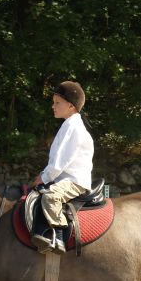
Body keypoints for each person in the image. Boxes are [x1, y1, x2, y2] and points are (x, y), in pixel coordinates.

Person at [30, 81, 94, 254]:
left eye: (57, 103)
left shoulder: (73, 128)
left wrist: (43, 177)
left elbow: (61, 161)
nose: (53, 106)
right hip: (63, 178)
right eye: (54, 102)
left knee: (50, 197)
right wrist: (44, 175)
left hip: (74, 181)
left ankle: (58, 237)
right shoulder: (68, 125)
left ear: (71, 106)